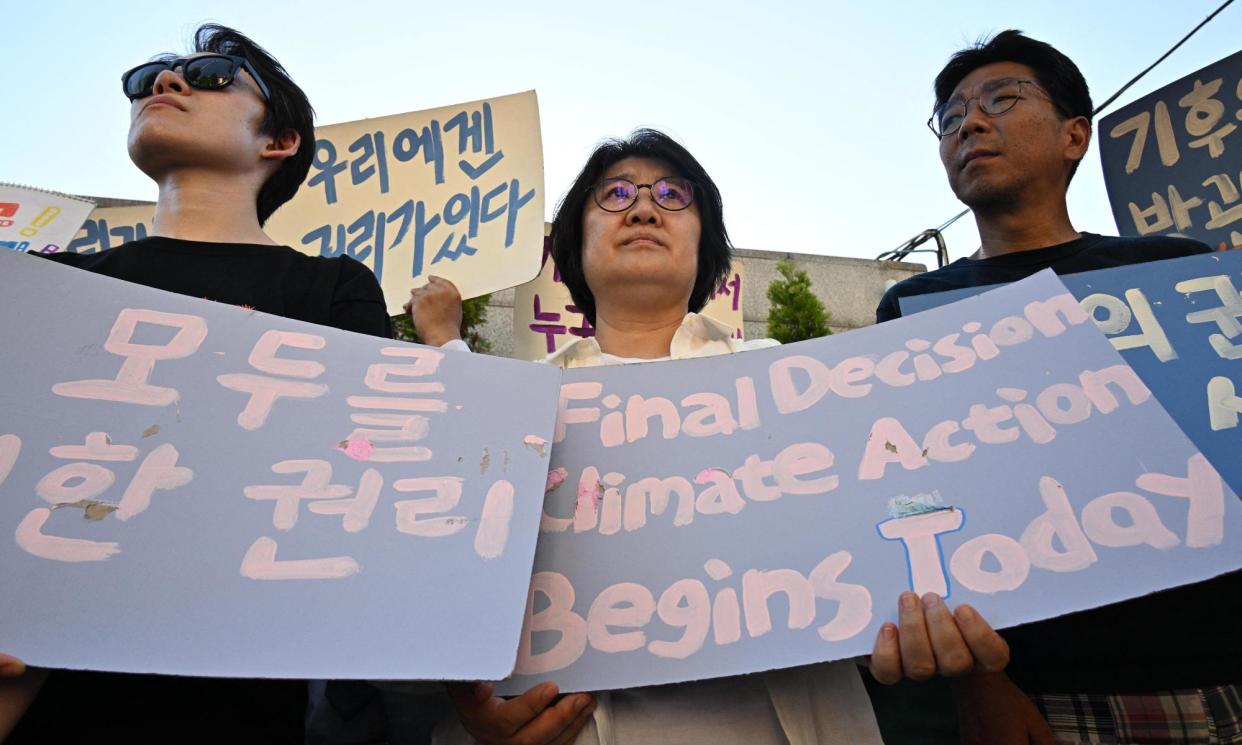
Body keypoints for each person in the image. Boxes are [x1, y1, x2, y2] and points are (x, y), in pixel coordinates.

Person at [409, 128, 1008, 745]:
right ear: (573, 245)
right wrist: (469, 704)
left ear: (705, 243)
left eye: (673, 195)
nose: (644, 208)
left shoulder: (796, 384)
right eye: (614, 195)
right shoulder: (516, 403)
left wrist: (912, 626)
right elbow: (448, 587)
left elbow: (871, 574)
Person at [1, 24, 390, 743]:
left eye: (212, 75)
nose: (164, 84)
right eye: (147, 76)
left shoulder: (332, 288)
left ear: (279, 142)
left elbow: (363, 482)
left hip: (244, 696)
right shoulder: (52, 283)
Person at [875, 30, 1239, 745]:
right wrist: (981, 685)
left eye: (1001, 99)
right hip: (1029, 689)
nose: (969, 125)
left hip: (1215, 667)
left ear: (1076, 135)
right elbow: (914, 504)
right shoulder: (913, 309)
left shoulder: (1173, 271)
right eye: (950, 120)